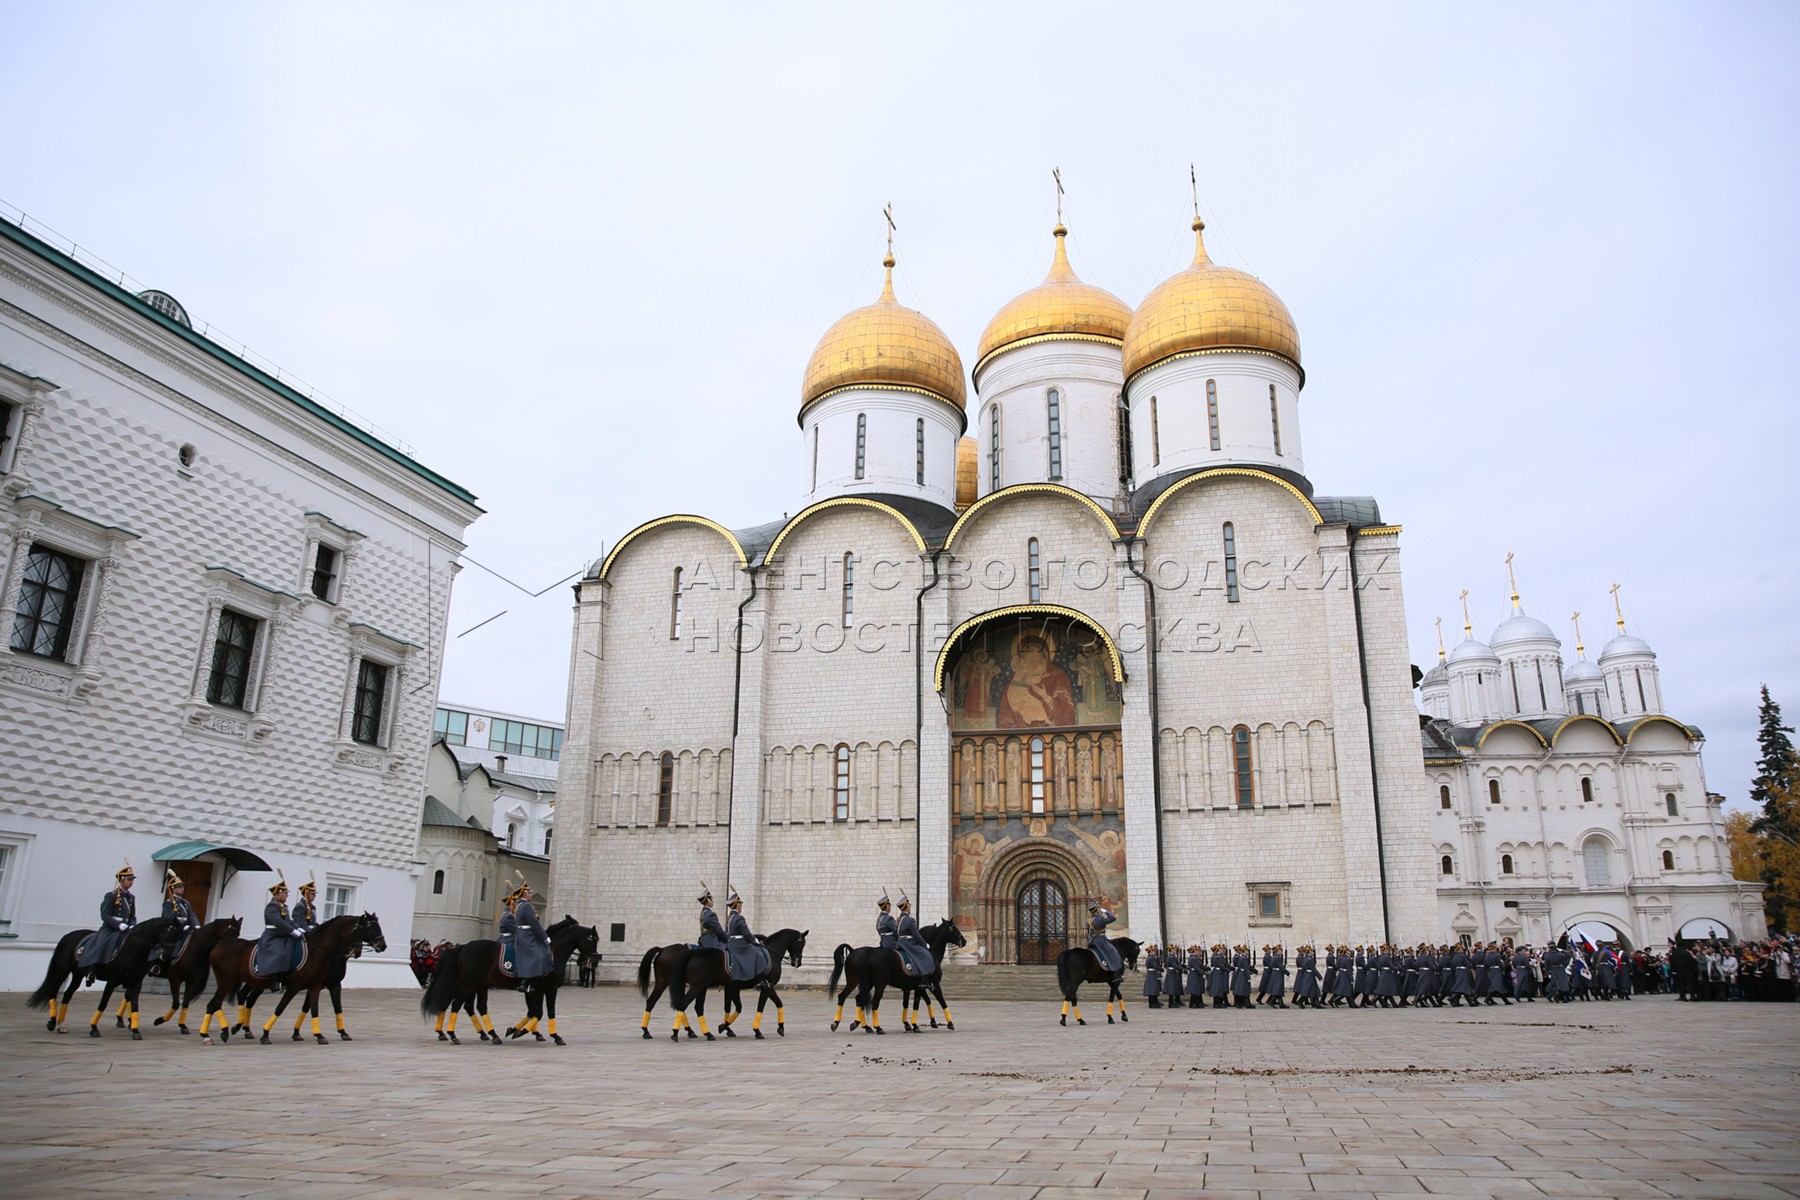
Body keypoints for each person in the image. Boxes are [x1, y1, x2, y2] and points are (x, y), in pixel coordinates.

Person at [76, 860, 137, 973]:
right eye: (129, 879)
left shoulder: (131, 897)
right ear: (122, 880)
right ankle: (93, 969)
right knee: (102, 943)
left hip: (126, 927)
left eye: (132, 880)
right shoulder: (111, 896)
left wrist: (133, 925)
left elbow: (132, 915)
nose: (131, 882)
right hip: (110, 928)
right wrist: (118, 925)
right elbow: (105, 915)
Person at [149, 868, 201, 974]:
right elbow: (169, 917)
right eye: (179, 887)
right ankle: (158, 964)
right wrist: (182, 926)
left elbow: (191, 915)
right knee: (167, 945)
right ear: (173, 889)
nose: (182, 889)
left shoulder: (186, 903)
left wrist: (197, 926)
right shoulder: (168, 903)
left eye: (182, 887)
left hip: (186, 927)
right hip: (173, 928)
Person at [499, 876, 550, 980]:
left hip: (522, 935)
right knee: (538, 955)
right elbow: (534, 924)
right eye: (530, 893)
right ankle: (529, 980)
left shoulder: (520, 906)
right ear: (526, 894)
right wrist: (545, 937)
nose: (531, 895)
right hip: (527, 936)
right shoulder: (526, 906)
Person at [254, 876, 304, 976]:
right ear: (278, 894)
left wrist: (298, 927)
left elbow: (289, 921)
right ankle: (273, 977)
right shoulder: (272, 906)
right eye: (285, 893)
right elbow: (278, 921)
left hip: (282, 935)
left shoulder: (283, 906)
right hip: (273, 936)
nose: (287, 896)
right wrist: (292, 931)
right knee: (280, 952)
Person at [724, 886, 770, 981]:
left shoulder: (730, 917)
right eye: (740, 905)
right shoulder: (739, 918)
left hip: (731, 943)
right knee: (758, 954)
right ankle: (757, 981)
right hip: (739, 944)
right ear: (737, 905)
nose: (741, 907)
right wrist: (755, 941)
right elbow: (746, 933)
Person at [892, 891, 936, 977]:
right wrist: (925, 945)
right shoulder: (910, 920)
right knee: (925, 954)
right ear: (907, 907)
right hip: (909, 944)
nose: (910, 909)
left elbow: (897, 932)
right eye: (909, 907)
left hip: (900, 942)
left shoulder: (899, 919)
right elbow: (917, 936)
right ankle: (924, 978)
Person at [1086, 899, 1122, 975]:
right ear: (1097, 910)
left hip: (1092, 940)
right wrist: (1105, 911)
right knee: (1112, 951)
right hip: (1100, 940)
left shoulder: (1089, 920)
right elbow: (1113, 918)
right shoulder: (1100, 919)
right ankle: (1114, 971)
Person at [696, 883, 727, 950]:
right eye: (712, 899)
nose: (713, 901)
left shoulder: (704, 912)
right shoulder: (710, 914)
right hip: (711, 941)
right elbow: (719, 930)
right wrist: (727, 939)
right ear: (709, 900)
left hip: (704, 939)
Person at [1142, 942, 1162, 1008]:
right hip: (1151, 974)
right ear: (1150, 952)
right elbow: (1154, 966)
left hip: (1153, 974)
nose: (1155, 952)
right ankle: (1152, 1003)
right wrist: (1160, 968)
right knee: (1151, 989)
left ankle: (1155, 1002)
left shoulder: (1152, 958)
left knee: (1154, 989)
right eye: (1153, 951)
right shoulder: (1150, 958)